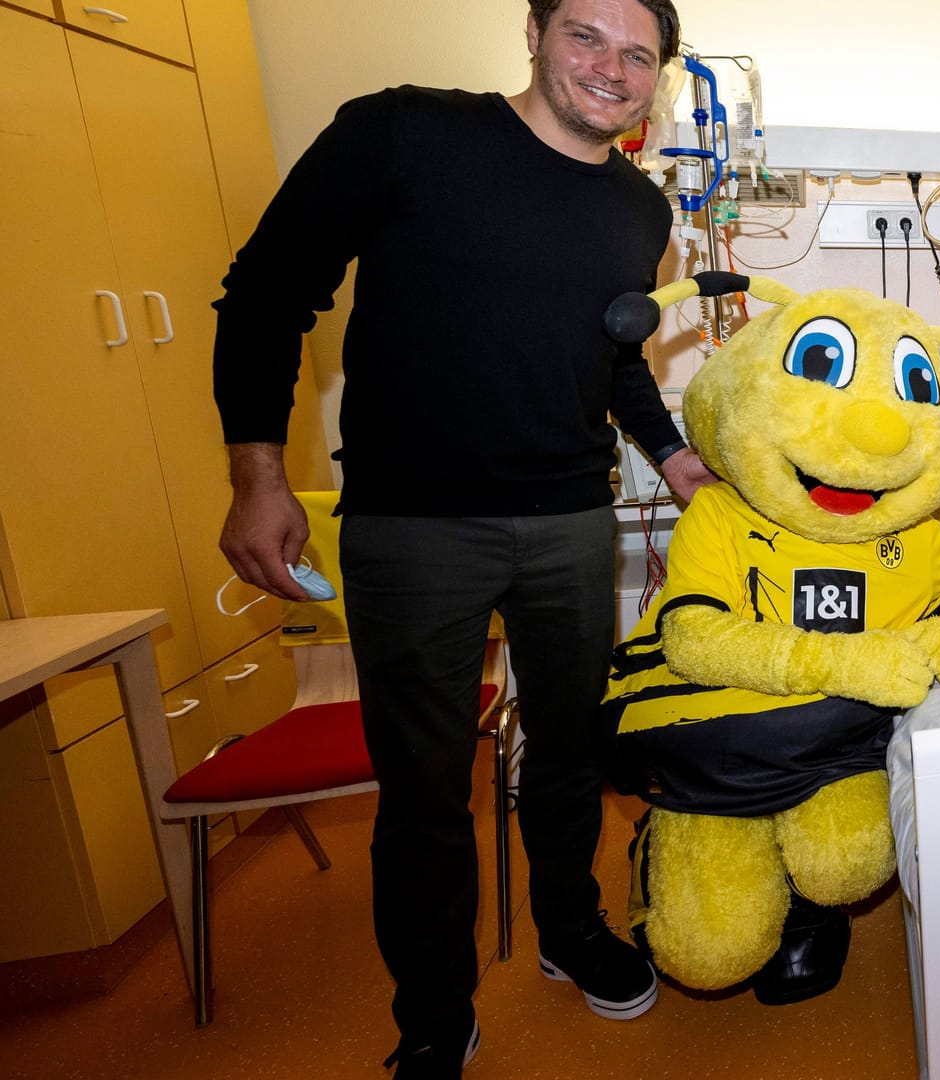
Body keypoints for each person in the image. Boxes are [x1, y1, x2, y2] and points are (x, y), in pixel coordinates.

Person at [211, 1, 706, 1073]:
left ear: (659, 75)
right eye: (587, 36)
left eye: (639, 55)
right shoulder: (403, 134)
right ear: (533, 31)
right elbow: (267, 290)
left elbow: (618, 357)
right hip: (412, 524)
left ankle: (570, 933)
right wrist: (257, 471)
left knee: (573, 753)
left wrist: (672, 457)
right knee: (427, 786)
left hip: (571, 519)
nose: (612, 70)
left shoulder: (636, 210)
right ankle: (434, 1012)